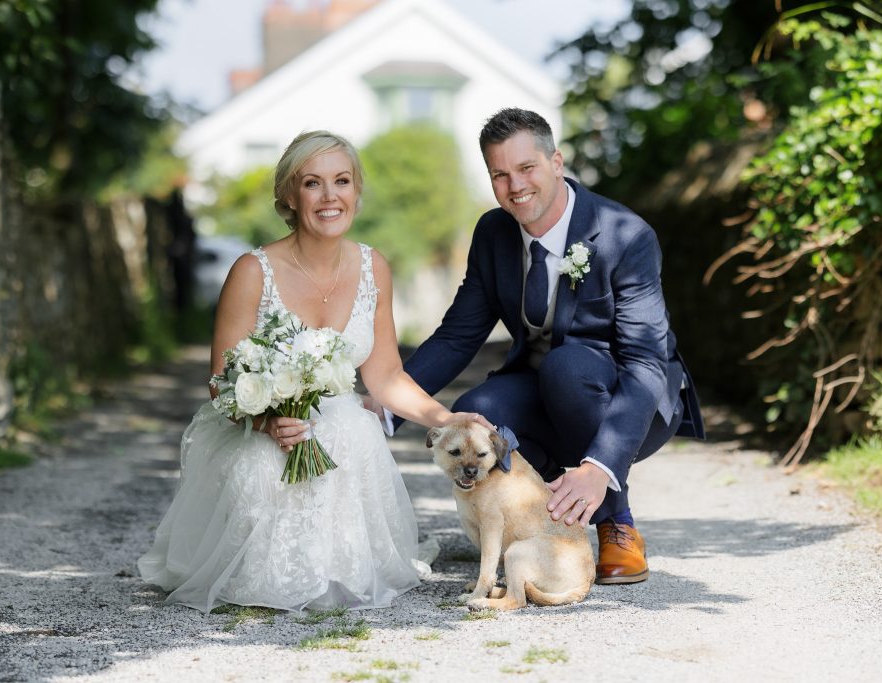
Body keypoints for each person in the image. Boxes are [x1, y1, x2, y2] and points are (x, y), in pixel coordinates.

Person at [138, 130, 491, 613]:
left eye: (342, 181)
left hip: (342, 426)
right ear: (288, 194)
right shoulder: (252, 271)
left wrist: (450, 420)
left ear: (356, 192)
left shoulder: (374, 267)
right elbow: (221, 380)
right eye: (312, 183)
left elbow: (385, 376)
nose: (330, 197)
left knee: (352, 435)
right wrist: (266, 421)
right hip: (262, 429)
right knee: (263, 466)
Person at [388, 108, 705, 585]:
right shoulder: (493, 233)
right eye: (500, 174)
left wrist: (598, 466)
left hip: (624, 402)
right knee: (476, 410)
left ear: (556, 162)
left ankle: (617, 523)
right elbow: (458, 336)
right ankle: (534, 525)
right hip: (542, 394)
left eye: (526, 168)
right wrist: (387, 404)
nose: (515, 186)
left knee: (568, 366)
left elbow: (645, 363)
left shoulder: (626, 235)